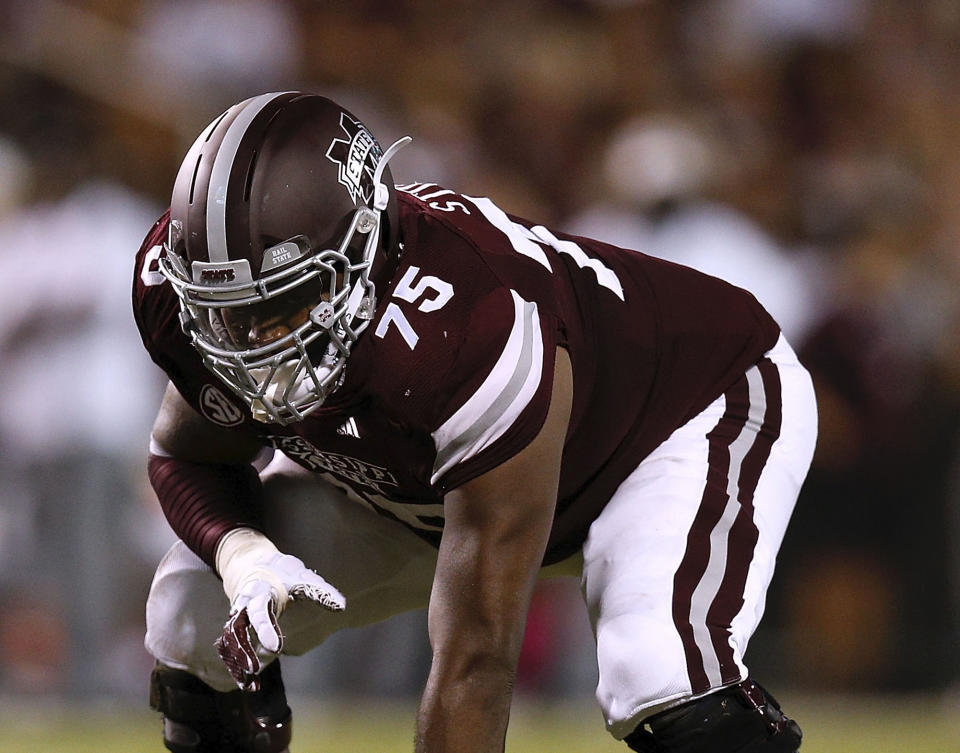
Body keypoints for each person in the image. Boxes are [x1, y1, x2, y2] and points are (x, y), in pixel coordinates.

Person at [133, 91, 817, 753]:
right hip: (427, 482)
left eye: (285, 300)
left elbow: (476, 658)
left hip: (674, 421)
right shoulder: (179, 293)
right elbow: (185, 454)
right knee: (188, 612)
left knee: (660, 676)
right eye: (228, 311)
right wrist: (242, 554)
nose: (253, 344)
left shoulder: (471, 326)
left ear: (365, 249)